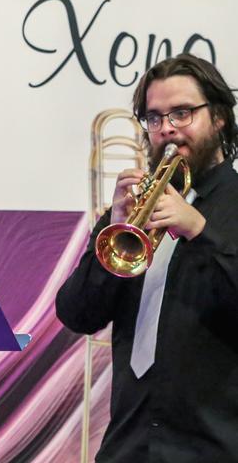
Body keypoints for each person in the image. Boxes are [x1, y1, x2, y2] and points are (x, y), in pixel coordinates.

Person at [56, 53, 238, 463]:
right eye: (154, 118)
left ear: (220, 117)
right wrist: (113, 226)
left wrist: (199, 231)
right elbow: (76, 314)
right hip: (129, 446)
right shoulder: (132, 212)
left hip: (215, 447)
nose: (167, 129)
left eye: (182, 113)